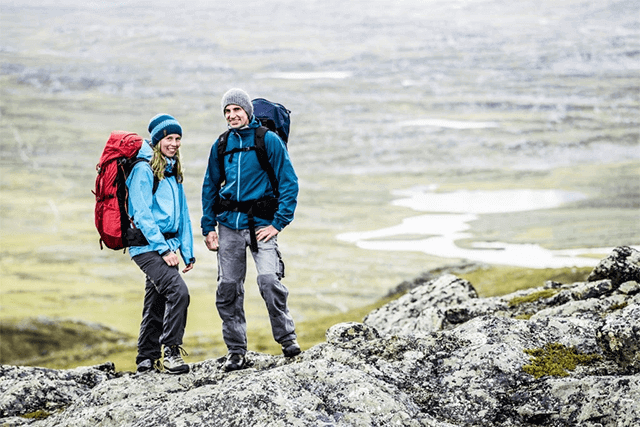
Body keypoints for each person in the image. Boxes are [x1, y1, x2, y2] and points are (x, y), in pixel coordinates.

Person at [201, 88, 300, 371]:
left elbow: (289, 183)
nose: (232, 115)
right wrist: (209, 226)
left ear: (248, 111)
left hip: (261, 226)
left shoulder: (268, 141)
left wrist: (278, 222)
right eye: (227, 111)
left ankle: (287, 339)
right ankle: (235, 351)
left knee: (269, 281)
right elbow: (210, 186)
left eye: (236, 110)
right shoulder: (220, 145)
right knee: (228, 288)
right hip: (229, 226)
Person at [127, 114, 195, 374]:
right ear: (157, 141)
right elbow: (142, 214)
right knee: (179, 292)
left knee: (155, 300)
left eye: (178, 138)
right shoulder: (143, 170)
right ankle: (172, 352)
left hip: (166, 246)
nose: (175, 143)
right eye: (169, 138)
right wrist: (164, 250)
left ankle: (146, 358)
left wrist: (187, 251)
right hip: (146, 247)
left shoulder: (171, 168)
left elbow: (184, 215)